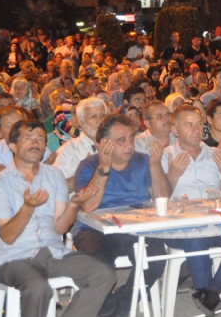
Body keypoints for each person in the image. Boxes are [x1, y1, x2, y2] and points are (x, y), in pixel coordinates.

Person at [0, 120, 116, 317]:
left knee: (104, 274)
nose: (36, 143)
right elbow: (8, 237)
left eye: (40, 139)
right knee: (38, 287)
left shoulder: (54, 175)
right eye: (28, 139)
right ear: (12, 146)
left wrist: (74, 204)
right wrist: (28, 207)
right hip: (14, 257)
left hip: (54, 252)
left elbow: (60, 228)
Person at [73, 114, 171, 317]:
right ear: (102, 144)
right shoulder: (89, 165)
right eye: (121, 140)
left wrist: (155, 164)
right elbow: (89, 207)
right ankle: (105, 303)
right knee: (99, 264)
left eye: (131, 139)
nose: (129, 146)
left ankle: (124, 301)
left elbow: (162, 198)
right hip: (96, 229)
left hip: (135, 226)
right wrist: (104, 166)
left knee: (156, 257)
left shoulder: (143, 161)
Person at [161, 105, 221, 315]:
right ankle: (208, 292)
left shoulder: (216, 155)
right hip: (179, 228)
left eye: (199, 124)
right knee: (195, 235)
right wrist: (174, 174)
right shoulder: (165, 156)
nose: (196, 130)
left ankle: (211, 292)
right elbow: (157, 199)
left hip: (216, 224)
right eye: (189, 125)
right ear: (175, 130)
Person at [0, 106, 51, 197]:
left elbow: (50, 188)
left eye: (20, 124)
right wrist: (0, 177)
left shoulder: (39, 150)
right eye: (10, 126)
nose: (17, 130)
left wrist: (44, 170)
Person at [53, 97, 109, 192]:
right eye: (93, 116)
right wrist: (85, 172)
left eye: (103, 115)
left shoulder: (116, 145)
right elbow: (57, 189)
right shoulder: (68, 151)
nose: (100, 121)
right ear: (80, 122)